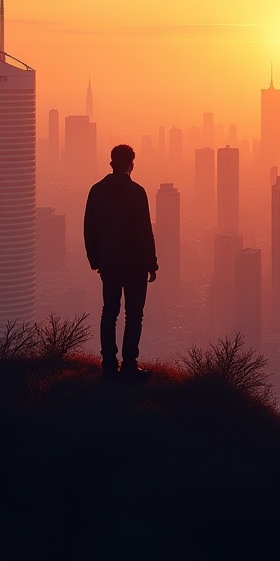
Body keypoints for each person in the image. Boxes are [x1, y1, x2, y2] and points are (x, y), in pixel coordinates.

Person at [84, 144, 158, 382]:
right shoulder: (137, 192)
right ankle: (128, 365)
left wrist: (95, 259)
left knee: (109, 312)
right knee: (134, 315)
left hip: (109, 264)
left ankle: (108, 363)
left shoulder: (96, 191)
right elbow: (144, 231)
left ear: (111, 164)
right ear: (131, 165)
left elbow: (89, 229)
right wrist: (151, 263)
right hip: (135, 265)